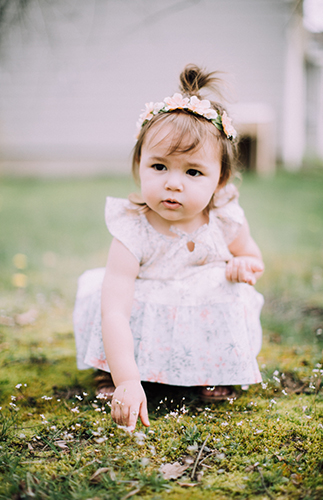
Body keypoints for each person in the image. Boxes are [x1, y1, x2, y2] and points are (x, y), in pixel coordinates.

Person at [73, 64, 264, 431]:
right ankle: (110, 368)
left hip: (199, 313)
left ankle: (211, 366)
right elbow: (114, 310)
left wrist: (244, 265)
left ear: (219, 179)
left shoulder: (225, 221)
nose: (173, 184)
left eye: (192, 172)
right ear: (139, 165)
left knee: (230, 290)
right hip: (146, 312)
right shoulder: (133, 229)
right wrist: (127, 379)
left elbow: (253, 257)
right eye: (159, 167)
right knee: (102, 291)